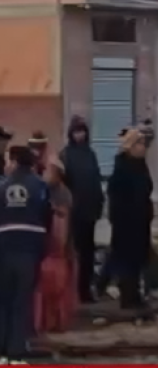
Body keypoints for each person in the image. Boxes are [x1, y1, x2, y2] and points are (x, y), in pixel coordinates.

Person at [0, 145, 52, 361]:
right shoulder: (39, 185)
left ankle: (2, 343)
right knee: (23, 298)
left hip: (4, 246)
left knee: (4, 298)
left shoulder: (3, 187)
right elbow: (46, 215)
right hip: (30, 247)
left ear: (13, 161)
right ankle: (17, 346)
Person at [107, 129, 153, 310]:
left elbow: (146, 189)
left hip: (141, 222)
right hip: (126, 224)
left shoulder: (141, 166)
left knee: (138, 260)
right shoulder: (122, 167)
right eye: (139, 144)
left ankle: (136, 295)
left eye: (143, 144)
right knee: (126, 260)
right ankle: (127, 296)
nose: (143, 148)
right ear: (130, 146)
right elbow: (116, 197)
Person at [60, 116, 103, 302]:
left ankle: (85, 290)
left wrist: (99, 203)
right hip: (74, 212)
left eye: (82, 131)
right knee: (74, 252)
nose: (80, 134)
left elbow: (96, 180)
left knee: (88, 252)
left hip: (90, 211)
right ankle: (74, 291)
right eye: (76, 131)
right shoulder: (66, 154)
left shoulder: (90, 154)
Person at [34, 159, 77, 334]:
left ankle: (57, 321)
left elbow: (63, 224)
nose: (45, 175)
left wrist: (60, 247)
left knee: (58, 288)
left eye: (49, 172)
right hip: (48, 248)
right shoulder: (43, 191)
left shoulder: (62, 194)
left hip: (57, 249)